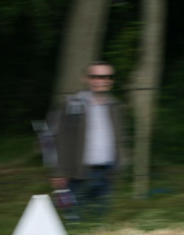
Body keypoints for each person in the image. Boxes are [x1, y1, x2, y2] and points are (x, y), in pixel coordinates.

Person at [51, 61, 129, 223]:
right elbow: (61, 138)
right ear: (86, 79)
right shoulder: (73, 104)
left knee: (100, 222)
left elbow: (119, 137)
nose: (103, 80)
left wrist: (120, 161)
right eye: (97, 76)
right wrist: (59, 172)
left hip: (106, 172)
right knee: (75, 221)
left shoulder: (114, 105)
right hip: (79, 173)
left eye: (108, 76)